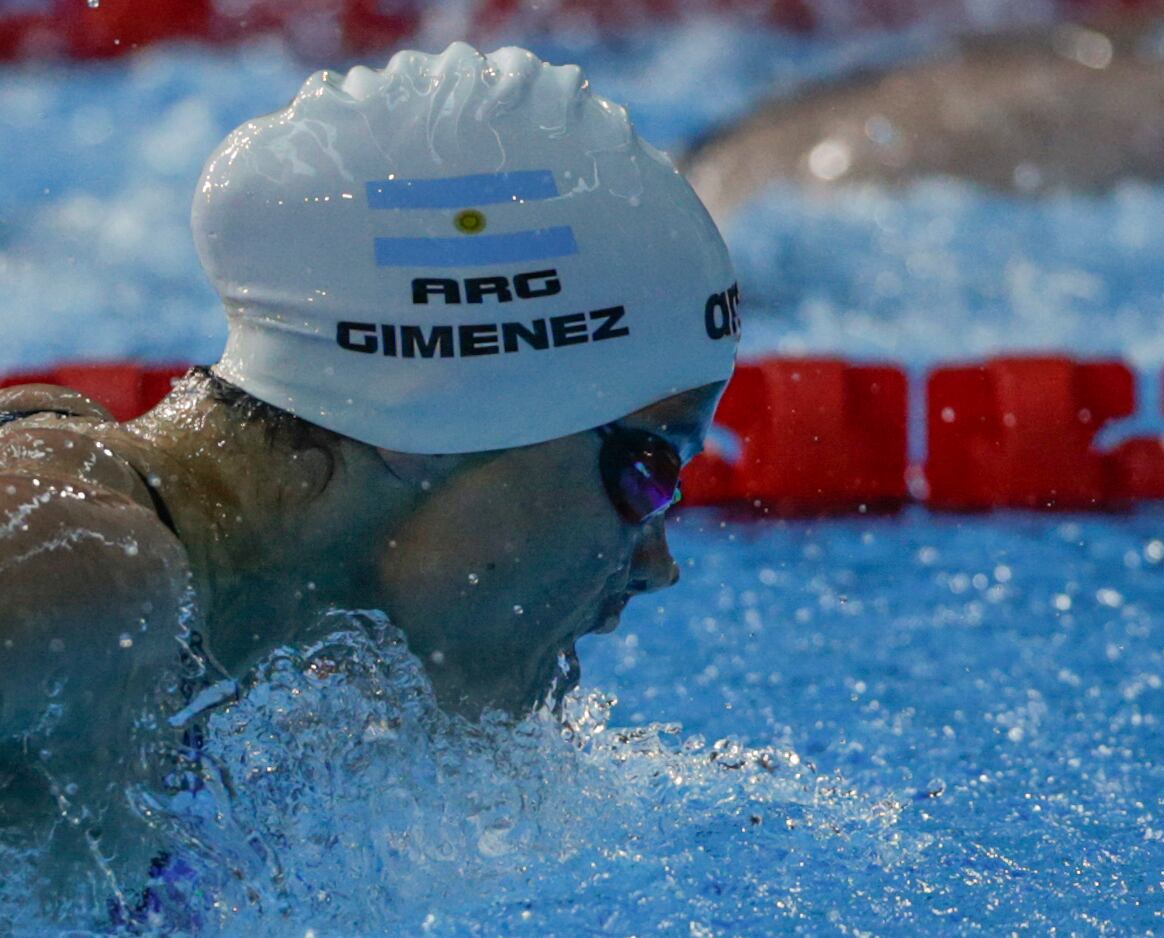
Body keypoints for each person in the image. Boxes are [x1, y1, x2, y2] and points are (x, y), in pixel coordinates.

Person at [0, 43, 739, 913]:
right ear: (440, 413)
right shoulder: (78, 573)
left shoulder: (199, 641)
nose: (657, 562)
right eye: (649, 470)